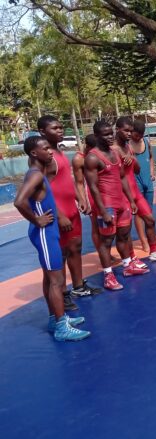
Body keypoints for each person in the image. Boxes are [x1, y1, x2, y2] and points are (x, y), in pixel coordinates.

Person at [14, 136, 91, 341]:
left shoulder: (38, 173)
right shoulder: (35, 175)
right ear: (34, 153)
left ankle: (54, 319)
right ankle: (61, 327)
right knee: (57, 280)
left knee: (50, 278)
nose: (50, 152)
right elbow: (19, 201)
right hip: (45, 233)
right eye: (45, 149)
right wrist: (36, 219)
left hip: (48, 232)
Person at [37, 116, 100, 308]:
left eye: (60, 127)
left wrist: (80, 197)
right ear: (42, 132)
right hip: (59, 213)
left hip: (71, 209)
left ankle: (78, 286)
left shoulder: (59, 152)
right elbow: (42, 190)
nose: (60, 130)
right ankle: (62, 293)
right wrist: (59, 215)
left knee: (76, 248)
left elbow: (66, 180)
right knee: (62, 254)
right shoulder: (45, 159)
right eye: (54, 128)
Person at [84, 120, 149, 291]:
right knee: (106, 241)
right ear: (97, 136)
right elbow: (93, 187)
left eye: (110, 133)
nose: (110, 137)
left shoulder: (115, 152)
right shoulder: (92, 158)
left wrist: (131, 200)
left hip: (121, 202)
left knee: (124, 235)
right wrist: (102, 211)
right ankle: (108, 275)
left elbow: (122, 177)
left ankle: (127, 266)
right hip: (107, 205)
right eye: (105, 134)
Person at [113, 117, 156, 262]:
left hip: (135, 191)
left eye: (130, 131)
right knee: (125, 229)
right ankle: (132, 258)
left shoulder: (129, 148)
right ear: (117, 130)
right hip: (123, 193)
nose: (129, 133)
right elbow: (114, 175)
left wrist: (133, 159)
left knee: (150, 220)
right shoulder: (113, 150)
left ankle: (154, 252)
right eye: (126, 131)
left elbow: (137, 170)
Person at [72, 134, 101, 254]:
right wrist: (83, 201)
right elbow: (79, 182)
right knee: (96, 225)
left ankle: (106, 252)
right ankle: (103, 255)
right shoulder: (79, 159)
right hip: (90, 193)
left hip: (104, 192)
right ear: (87, 146)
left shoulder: (100, 153)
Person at [130, 120, 155, 251]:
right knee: (139, 213)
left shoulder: (146, 142)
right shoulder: (127, 145)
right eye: (136, 135)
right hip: (135, 182)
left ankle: (151, 240)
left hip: (147, 180)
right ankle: (143, 241)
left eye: (140, 135)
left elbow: (150, 157)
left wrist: (151, 172)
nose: (138, 137)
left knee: (149, 212)